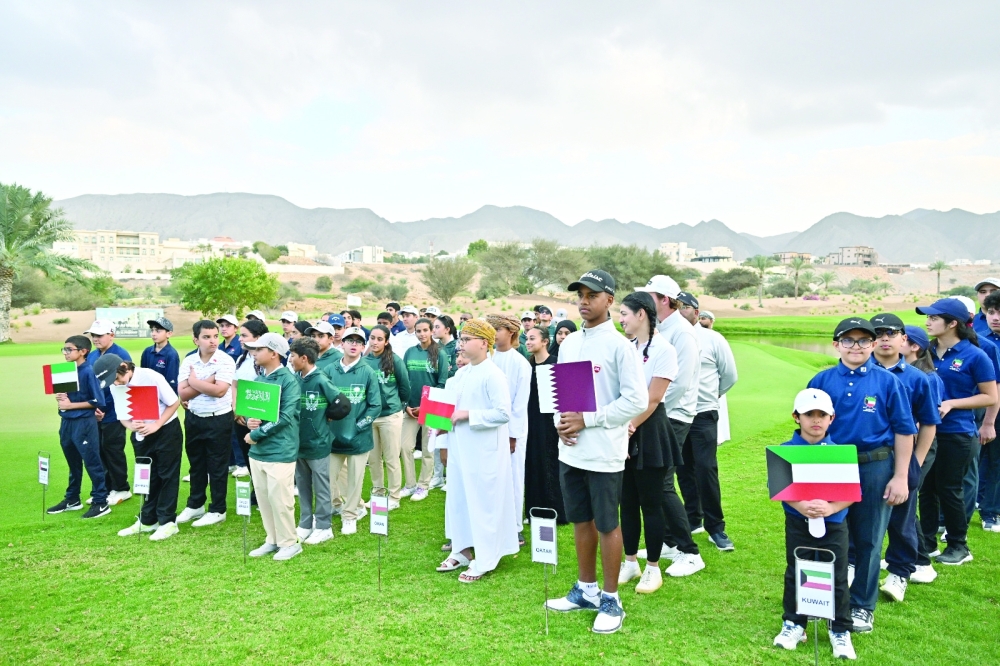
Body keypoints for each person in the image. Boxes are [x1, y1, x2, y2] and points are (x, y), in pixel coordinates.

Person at [545, 270, 646, 635]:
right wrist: (562, 422)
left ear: (609, 301)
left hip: (604, 451)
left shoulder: (620, 346)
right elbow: (566, 396)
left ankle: (610, 597)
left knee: (607, 523)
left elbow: (635, 400)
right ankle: (585, 589)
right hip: (571, 451)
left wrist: (588, 420)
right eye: (580, 295)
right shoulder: (569, 343)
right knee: (580, 520)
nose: (584, 301)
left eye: (592, 295)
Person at [806, 317, 916, 633]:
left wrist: (900, 477)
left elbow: (904, 431)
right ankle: (819, 600)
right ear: (836, 344)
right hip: (831, 464)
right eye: (849, 340)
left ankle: (861, 606)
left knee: (868, 538)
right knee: (823, 532)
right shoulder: (822, 380)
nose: (857, 346)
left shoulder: (887, 382)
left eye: (864, 341)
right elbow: (807, 429)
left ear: (872, 344)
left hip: (875, 465)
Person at [617, 291, 703, 594]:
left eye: (624, 314)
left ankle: (653, 568)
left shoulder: (664, 349)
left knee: (650, 502)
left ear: (642, 314)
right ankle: (630, 561)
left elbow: (653, 398)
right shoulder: (627, 347)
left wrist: (629, 427)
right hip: (624, 425)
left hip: (649, 428)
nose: (621, 319)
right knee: (626, 501)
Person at [772, 389, 856, 661]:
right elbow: (780, 488)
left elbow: (851, 494)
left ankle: (840, 630)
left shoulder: (839, 452)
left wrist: (831, 507)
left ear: (832, 418)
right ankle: (794, 624)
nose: (816, 421)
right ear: (797, 417)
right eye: (809, 415)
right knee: (797, 570)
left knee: (837, 575)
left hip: (834, 524)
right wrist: (801, 507)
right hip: (798, 522)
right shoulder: (786, 451)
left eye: (822, 415)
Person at [436, 319, 519, 583]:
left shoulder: (493, 374)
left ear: (484, 343)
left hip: (484, 452)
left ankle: (485, 558)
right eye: (461, 339)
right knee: (458, 499)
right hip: (461, 448)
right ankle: (461, 549)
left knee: (483, 503)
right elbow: (451, 410)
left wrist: (467, 415)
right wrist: (439, 422)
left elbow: (503, 413)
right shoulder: (462, 374)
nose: (461, 344)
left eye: (467, 339)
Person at [916, 299, 997, 569]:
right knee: (926, 489)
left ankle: (958, 546)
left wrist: (951, 403)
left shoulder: (976, 355)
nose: (927, 322)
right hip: (927, 432)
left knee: (949, 489)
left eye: (933, 318)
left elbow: (989, 396)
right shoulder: (925, 351)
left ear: (952, 323)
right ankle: (927, 543)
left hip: (958, 433)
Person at [868, 313, 941, 602]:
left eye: (892, 333)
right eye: (879, 333)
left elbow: (929, 423)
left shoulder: (917, 378)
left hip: (903, 458)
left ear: (903, 339)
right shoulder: (858, 372)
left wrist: (916, 462)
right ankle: (855, 568)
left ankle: (899, 573)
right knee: (858, 517)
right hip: (865, 458)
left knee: (902, 520)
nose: (885, 338)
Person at [675, 291, 739, 552]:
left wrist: (712, 396)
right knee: (683, 468)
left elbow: (729, 375)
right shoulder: (670, 337)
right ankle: (693, 519)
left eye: (684, 307)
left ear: (696, 312)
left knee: (705, 468)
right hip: (678, 413)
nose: (679, 311)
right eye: (675, 306)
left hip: (703, 413)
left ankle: (716, 527)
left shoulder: (713, 338)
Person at [104, 356, 184, 542]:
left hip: (166, 431)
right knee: (147, 477)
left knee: (167, 475)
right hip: (141, 435)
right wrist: (131, 426)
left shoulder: (150, 376)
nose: (117, 383)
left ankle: (167, 522)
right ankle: (148, 519)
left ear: (124, 367)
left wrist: (156, 425)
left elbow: (174, 403)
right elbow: (122, 414)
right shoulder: (114, 385)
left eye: (117, 378)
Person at [243, 333, 303, 561]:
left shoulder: (289, 381)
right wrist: (250, 422)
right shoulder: (259, 380)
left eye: (259, 349)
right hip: (258, 452)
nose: (254, 353)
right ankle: (273, 539)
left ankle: (290, 542)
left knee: (281, 500)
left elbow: (286, 417)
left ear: (273, 353)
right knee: (265, 499)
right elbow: (253, 412)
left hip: (280, 450)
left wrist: (256, 434)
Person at [176, 320, 237, 528]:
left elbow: (220, 391)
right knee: (196, 463)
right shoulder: (189, 361)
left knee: (217, 466)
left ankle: (218, 508)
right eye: (206, 337)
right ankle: (196, 504)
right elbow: (182, 393)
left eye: (215, 336)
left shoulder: (226, 360)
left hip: (218, 418)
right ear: (196, 339)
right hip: (194, 417)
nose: (213, 341)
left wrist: (194, 382)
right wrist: (207, 382)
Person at [324, 327, 381, 535]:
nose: (354, 344)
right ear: (342, 343)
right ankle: (337, 505)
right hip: (333, 436)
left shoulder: (368, 372)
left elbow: (375, 405)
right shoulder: (329, 370)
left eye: (359, 341)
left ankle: (350, 516)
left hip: (359, 437)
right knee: (329, 477)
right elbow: (324, 400)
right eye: (350, 340)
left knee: (355, 479)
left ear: (363, 346)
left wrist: (359, 425)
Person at [46, 335, 110, 519]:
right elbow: (66, 398)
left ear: (83, 352)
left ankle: (101, 501)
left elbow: (98, 401)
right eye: (64, 349)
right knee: (73, 463)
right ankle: (72, 498)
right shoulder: (66, 370)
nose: (65, 353)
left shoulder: (88, 371)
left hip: (83, 424)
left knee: (92, 462)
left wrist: (70, 406)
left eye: (69, 349)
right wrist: (61, 399)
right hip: (66, 422)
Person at [901, 325, 946, 584]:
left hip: (922, 446)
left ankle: (921, 561)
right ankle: (909, 556)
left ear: (914, 346)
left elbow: (930, 416)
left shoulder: (927, 377)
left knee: (906, 502)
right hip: (906, 444)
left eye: (903, 339)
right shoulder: (902, 372)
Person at [289, 337, 344, 546]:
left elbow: (342, 404)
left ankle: (323, 526)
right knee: (302, 484)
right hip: (299, 443)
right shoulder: (295, 378)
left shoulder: (321, 379)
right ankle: (305, 523)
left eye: (293, 356)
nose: (291, 359)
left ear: (304, 358)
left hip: (318, 443)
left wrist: (324, 418)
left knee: (321, 486)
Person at [486, 314, 532, 544]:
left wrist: (512, 435)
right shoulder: (487, 359)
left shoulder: (520, 363)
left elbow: (519, 404)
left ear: (511, 333)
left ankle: (515, 527)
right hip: (487, 428)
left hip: (511, 432)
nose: (493, 333)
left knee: (513, 477)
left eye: (498, 329)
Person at [400, 317, 450, 500]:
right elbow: (404, 381)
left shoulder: (440, 353)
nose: (421, 334)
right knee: (405, 447)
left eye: (425, 330)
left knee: (429, 450)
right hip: (410, 409)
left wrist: (425, 406)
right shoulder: (410, 352)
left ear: (431, 331)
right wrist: (405, 405)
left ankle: (423, 486)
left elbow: (442, 383)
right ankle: (410, 484)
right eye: (418, 331)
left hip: (432, 409)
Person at [85, 319, 134, 507]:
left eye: (99, 335)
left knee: (113, 449)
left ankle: (121, 488)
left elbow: (122, 386)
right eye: (93, 335)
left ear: (111, 335)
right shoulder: (92, 356)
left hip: (114, 412)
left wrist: (104, 408)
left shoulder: (121, 355)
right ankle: (104, 488)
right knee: (99, 450)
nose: (95, 339)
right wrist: (94, 406)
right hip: (96, 410)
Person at [363, 325, 410, 509]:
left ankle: (394, 497)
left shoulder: (394, 361)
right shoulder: (364, 362)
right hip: (370, 417)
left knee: (391, 458)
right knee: (374, 459)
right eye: (372, 338)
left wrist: (399, 406)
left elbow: (405, 386)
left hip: (390, 415)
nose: (375, 342)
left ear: (386, 341)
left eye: (379, 339)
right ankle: (378, 493)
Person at [523, 325, 566, 524]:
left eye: (533, 338)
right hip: (530, 422)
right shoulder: (527, 366)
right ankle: (533, 510)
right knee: (533, 463)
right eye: (527, 339)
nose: (528, 342)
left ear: (545, 341)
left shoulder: (555, 364)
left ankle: (556, 510)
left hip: (550, 424)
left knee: (550, 464)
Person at [233, 320, 268, 490]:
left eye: (244, 335)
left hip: (259, 417)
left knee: (261, 453)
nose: (240, 339)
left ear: (258, 338)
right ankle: (257, 488)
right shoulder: (242, 358)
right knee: (247, 453)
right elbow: (235, 385)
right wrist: (236, 409)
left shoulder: (266, 360)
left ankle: (264, 489)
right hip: (241, 416)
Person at [978, 291, 1000, 532]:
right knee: (974, 463)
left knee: (996, 463)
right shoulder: (980, 341)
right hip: (979, 410)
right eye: (991, 312)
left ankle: (991, 512)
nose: (995, 318)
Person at [141, 317, 180, 393]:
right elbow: (143, 376)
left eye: (158, 331)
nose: (153, 334)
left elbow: (172, 382)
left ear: (169, 334)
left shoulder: (172, 354)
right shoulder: (147, 351)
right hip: (148, 394)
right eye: (152, 330)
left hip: (164, 396)